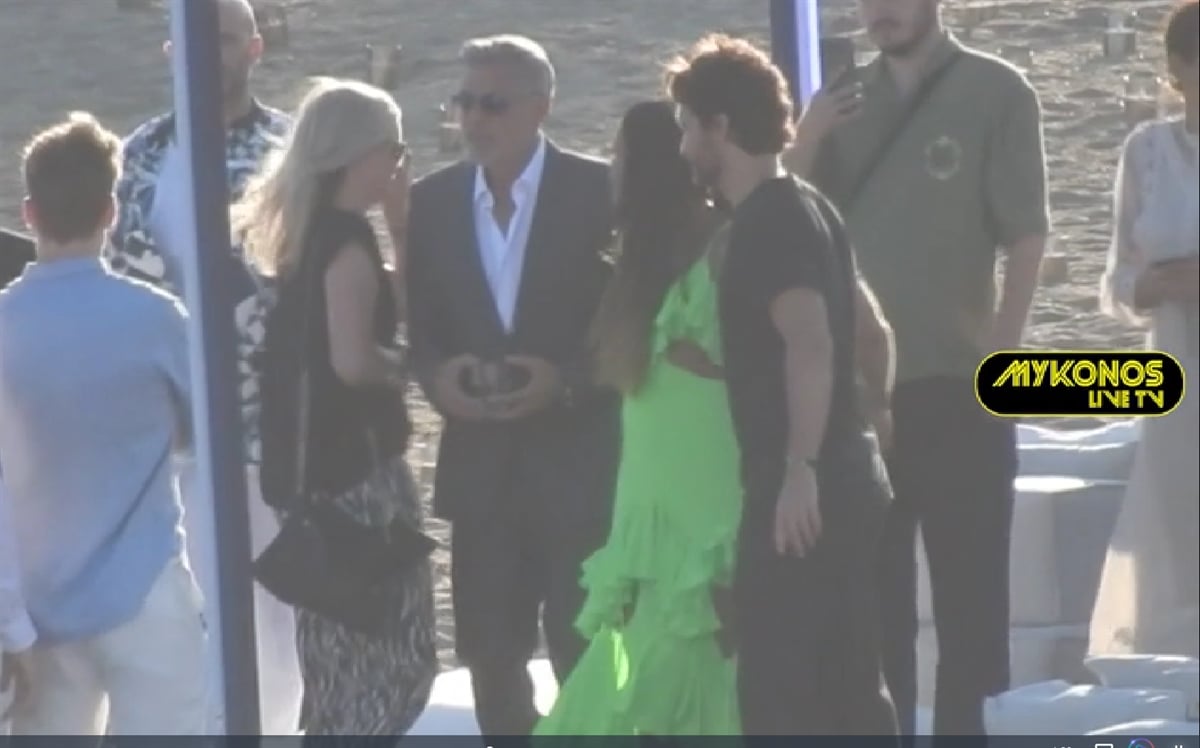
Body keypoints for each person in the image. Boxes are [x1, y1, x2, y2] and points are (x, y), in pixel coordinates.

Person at [786, 0, 1050, 735]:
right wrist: (808, 136)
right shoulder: (842, 102)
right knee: (875, 613)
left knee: (972, 608)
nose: (881, 11)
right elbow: (786, 216)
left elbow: (1026, 236)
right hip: (861, 394)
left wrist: (1003, 354)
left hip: (959, 384)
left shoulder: (995, 90)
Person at [667, 34, 898, 736]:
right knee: (849, 684)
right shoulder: (811, 207)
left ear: (720, 127)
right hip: (844, 474)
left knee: (782, 697)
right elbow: (871, 334)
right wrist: (869, 431)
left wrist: (801, 469)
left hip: (802, 488)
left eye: (688, 127)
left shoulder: (768, 222)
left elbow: (810, 341)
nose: (683, 146)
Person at [406, 34, 620, 736]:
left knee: (586, 657)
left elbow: (634, 327)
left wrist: (565, 383)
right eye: (463, 101)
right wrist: (439, 378)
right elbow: (422, 329)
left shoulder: (598, 192)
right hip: (482, 475)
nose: (473, 118)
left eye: (491, 104)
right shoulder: (432, 202)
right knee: (491, 660)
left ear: (540, 106)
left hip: (579, 472)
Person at [104, 0, 300, 733]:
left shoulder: (286, 150)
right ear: (170, 51)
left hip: (260, 426)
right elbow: (118, 269)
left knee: (270, 618)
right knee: (178, 609)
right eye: (195, 40)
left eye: (225, 39)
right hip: (163, 426)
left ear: (254, 48)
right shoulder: (142, 153)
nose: (208, 54)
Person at [237, 77, 436, 736]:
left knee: (336, 665)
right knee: (392, 664)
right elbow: (354, 360)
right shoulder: (348, 243)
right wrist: (404, 367)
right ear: (360, 154)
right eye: (394, 150)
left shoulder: (307, 234)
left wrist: (399, 229)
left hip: (311, 479)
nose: (400, 165)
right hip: (360, 481)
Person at [534, 100, 740, 736]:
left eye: (620, 155)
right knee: (628, 686)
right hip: (648, 507)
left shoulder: (725, 246)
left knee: (690, 673)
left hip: (705, 506)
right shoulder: (640, 263)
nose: (612, 169)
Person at [0, 112, 203, 735]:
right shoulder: (157, 318)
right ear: (110, 212)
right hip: (145, 585)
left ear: (29, 214)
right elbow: (198, 434)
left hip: (36, 600)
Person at [1090, 0, 1199, 658]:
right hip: (1176, 369)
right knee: (1176, 527)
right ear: (1178, 70)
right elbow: (1117, 282)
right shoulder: (1147, 152)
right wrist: (1162, 284)